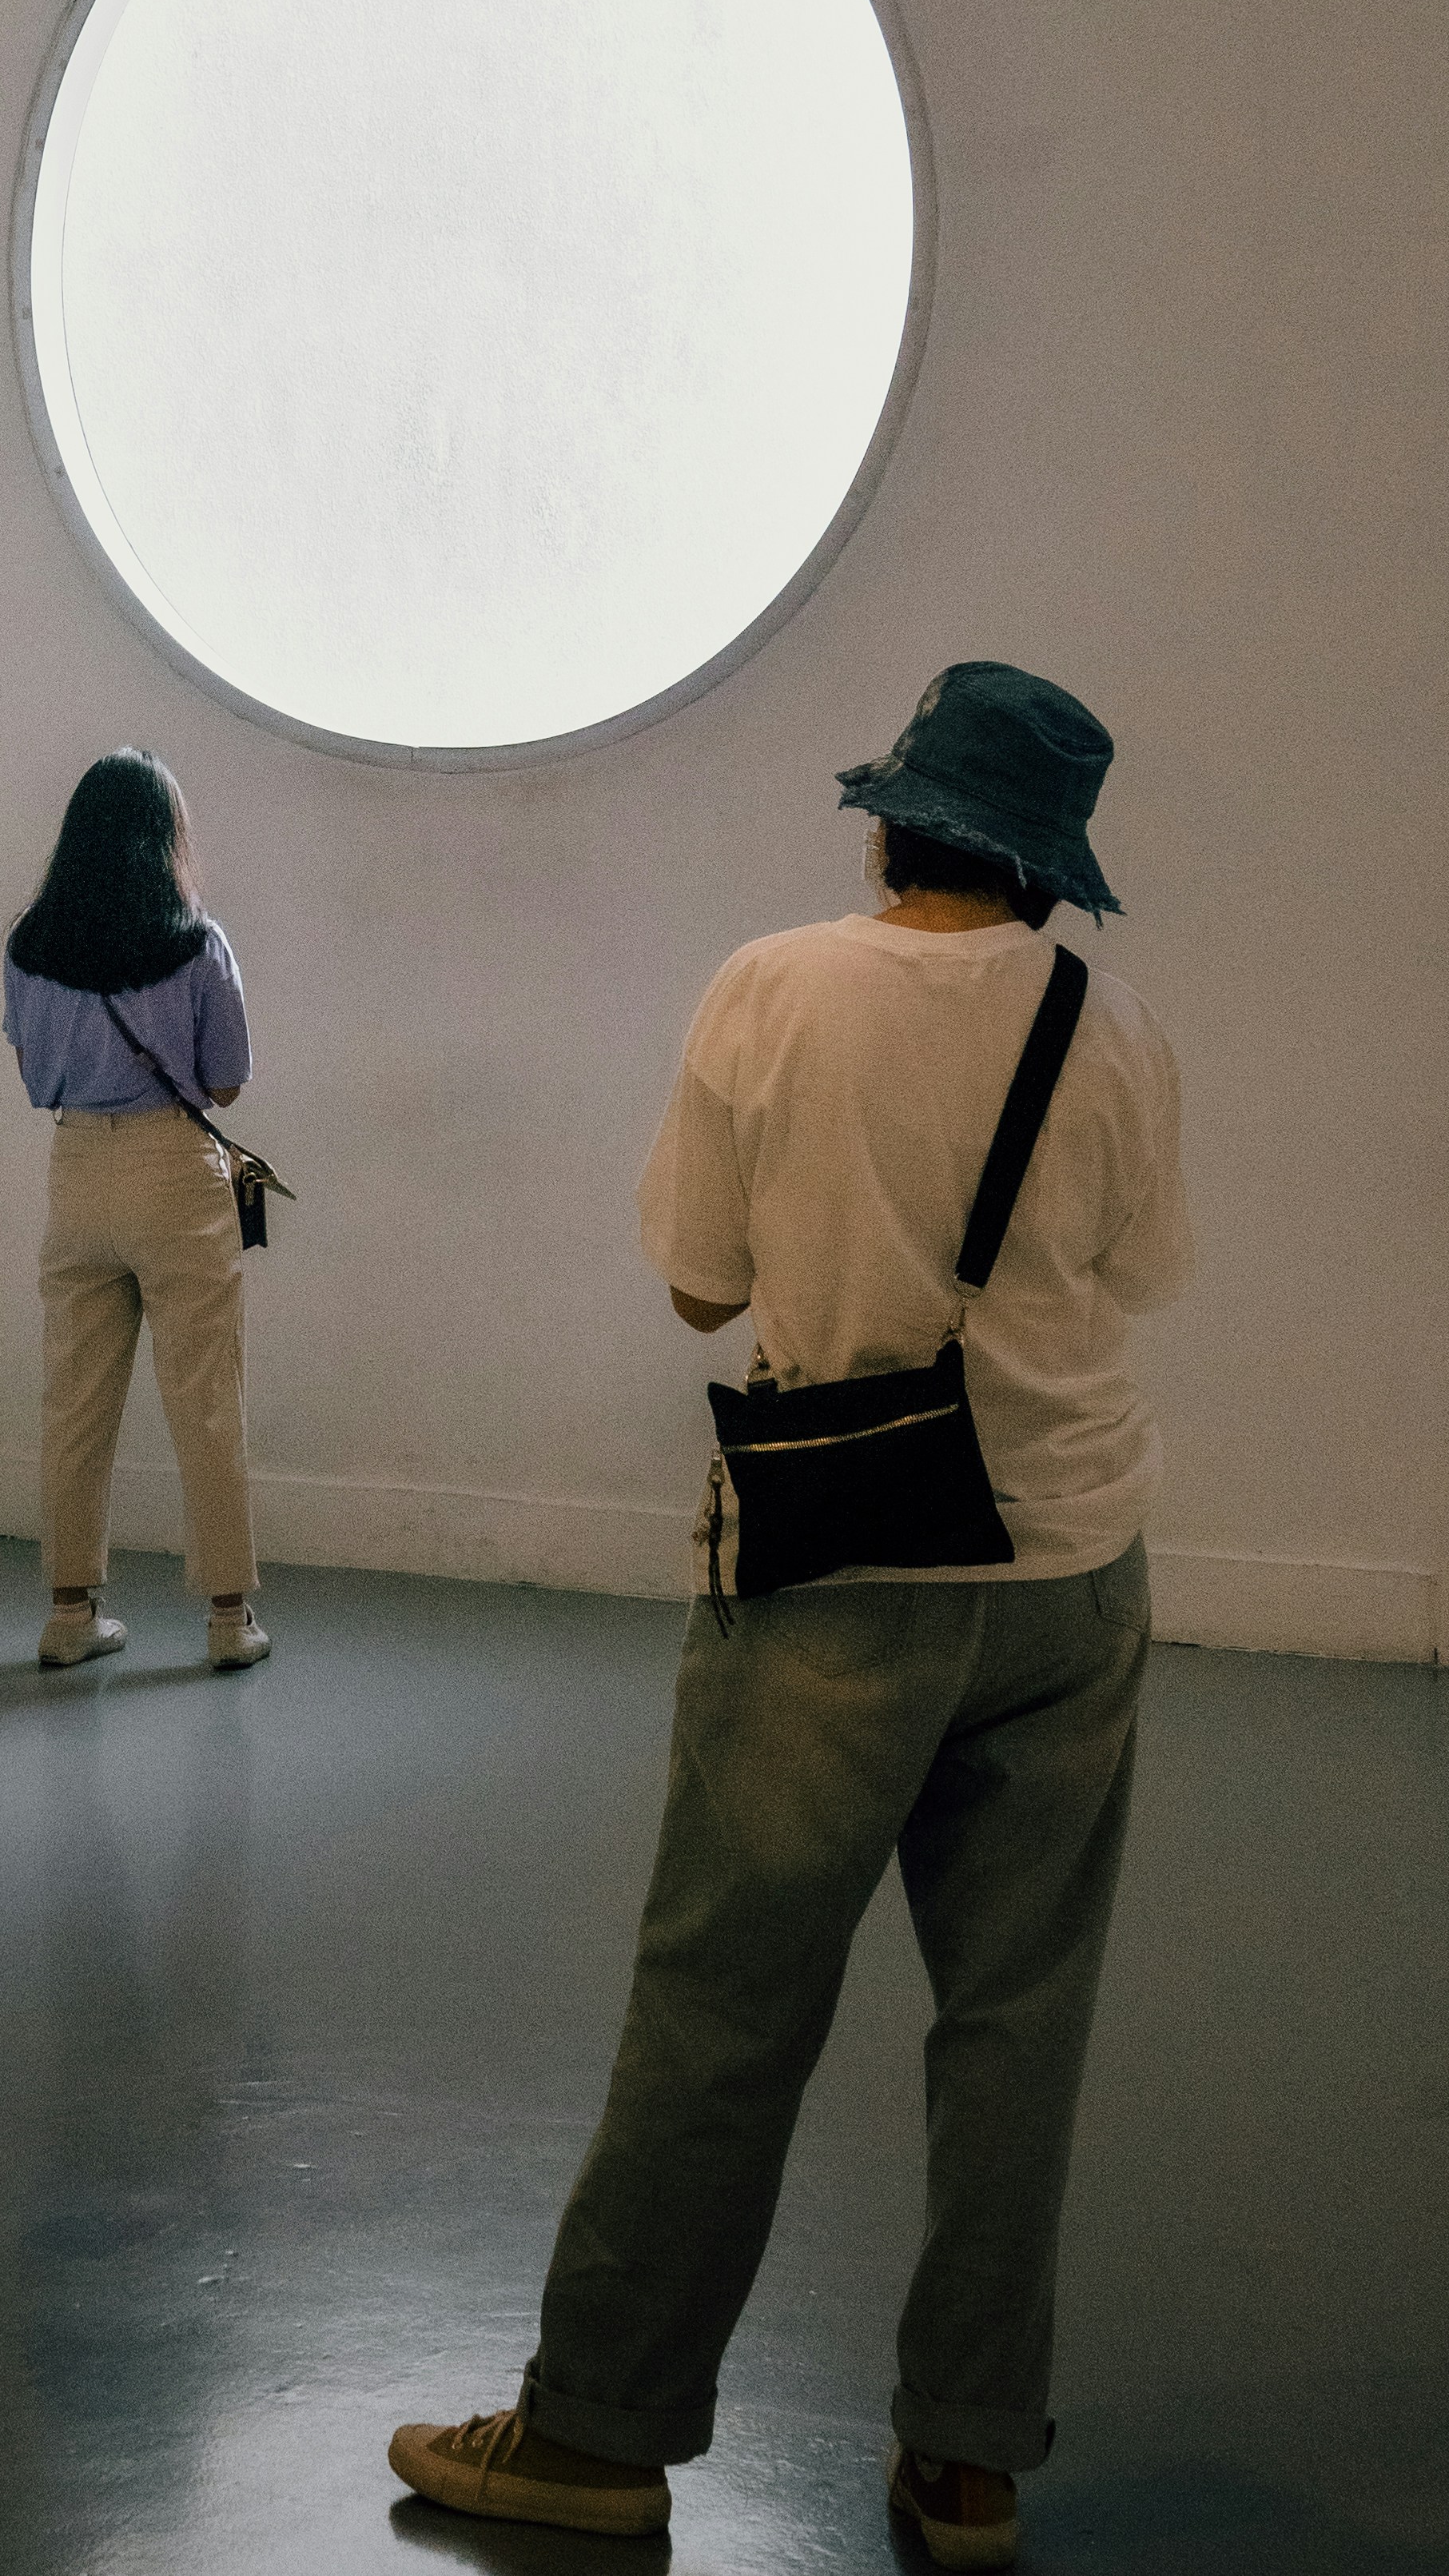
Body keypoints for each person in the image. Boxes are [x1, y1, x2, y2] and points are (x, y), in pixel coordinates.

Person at [390, 662, 1189, 2572]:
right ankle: (970, 2460)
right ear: (1048, 868)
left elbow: (692, 1284)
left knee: (720, 2009)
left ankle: (591, 2434)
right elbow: (1135, 1274)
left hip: (830, 1570)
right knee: (1013, 2030)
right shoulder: (1110, 1020)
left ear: (882, 820)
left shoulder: (772, 986)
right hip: (1073, 1572)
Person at [3, 749, 269, 1674]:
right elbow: (228, 1082)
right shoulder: (197, 941)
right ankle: (228, 1622)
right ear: (166, 837)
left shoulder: (29, 946)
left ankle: (70, 1614)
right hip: (173, 1170)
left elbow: (34, 1074)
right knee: (206, 1399)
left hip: (74, 1168)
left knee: (73, 1401)